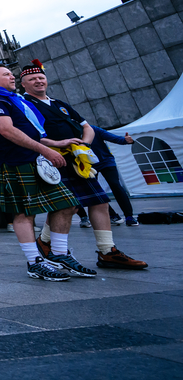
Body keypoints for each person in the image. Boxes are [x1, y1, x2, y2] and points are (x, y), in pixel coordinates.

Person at [19, 60, 146, 270]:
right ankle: (47, 243)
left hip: (77, 160)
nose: (38, 81)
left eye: (41, 77)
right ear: (23, 84)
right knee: (66, 206)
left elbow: (87, 127)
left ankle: (107, 251)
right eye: (32, 79)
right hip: (53, 160)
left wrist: (84, 146)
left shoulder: (60, 103)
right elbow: (25, 136)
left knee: (100, 202)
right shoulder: (24, 105)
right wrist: (57, 144)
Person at [0, 64, 83, 281]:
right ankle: (34, 261)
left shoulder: (14, 100)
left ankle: (59, 254)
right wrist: (45, 149)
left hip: (33, 159)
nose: (12, 76)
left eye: (11, 73)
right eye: (6, 74)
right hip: (14, 162)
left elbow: (28, 131)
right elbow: (7, 131)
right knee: (24, 213)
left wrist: (55, 142)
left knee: (68, 204)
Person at [88, 125, 137, 226]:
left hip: (106, 161)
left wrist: (126, 140)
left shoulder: (93, 129)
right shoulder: (70, 133)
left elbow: (112, 137)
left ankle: (129, 216)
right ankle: (112, 215)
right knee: (94, 191)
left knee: (115, 185)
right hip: (88, 165)